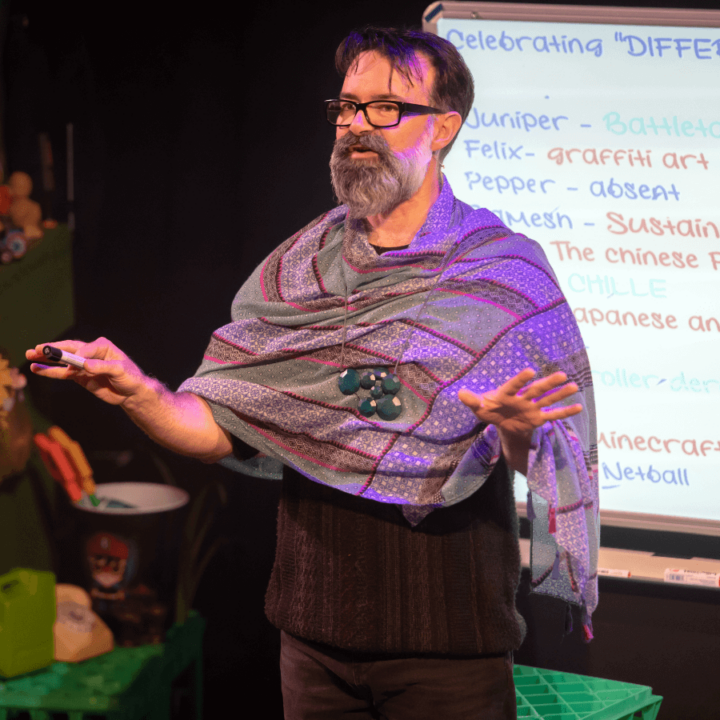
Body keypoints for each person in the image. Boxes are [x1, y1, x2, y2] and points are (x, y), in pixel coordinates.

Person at [28, 27, 598, 720]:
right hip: (313, 646)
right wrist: (138, 392)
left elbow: (546, 455)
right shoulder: (302, 265)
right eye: (348, 107)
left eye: (386, 108)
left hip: (448, 652)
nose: (357, 126)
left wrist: (520, 436)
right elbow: (223, 425)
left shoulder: (502, 277)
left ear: (443, 127)